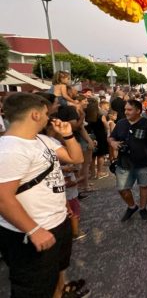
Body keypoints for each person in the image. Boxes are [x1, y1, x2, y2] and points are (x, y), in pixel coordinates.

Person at [0, 93, 84, 297]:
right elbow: (3, 198)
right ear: (35, 115)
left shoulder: (42, 140)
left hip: (57, 222)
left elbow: (76, 158)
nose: (50, 118)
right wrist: (34, 230)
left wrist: (68, 135)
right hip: (30, 231)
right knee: (34, 288)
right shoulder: (10, 150)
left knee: (54, 274)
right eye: (47, 114)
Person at [109, 99, 147, 222]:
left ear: (138, 110)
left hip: (143, 163)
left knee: (144, 186)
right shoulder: (121, 123)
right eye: (125, 109)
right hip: (123, 163)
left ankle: (143, 209)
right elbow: (111, 137)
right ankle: (132, 206)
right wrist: (112, 142)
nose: (126, 112)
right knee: (122, 189)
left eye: (129, 109)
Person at [85, 98, 109, 179]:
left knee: (92, 156)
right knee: (100, 155)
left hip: (89, 136)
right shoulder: (100, 115)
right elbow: (106, 126)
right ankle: (99, 173)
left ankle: (92, 174)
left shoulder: (85, 114)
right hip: (101, 136)